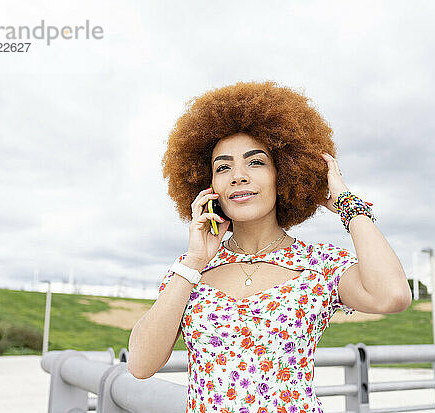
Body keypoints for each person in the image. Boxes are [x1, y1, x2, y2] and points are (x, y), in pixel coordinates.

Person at [128, 81, 412, 413]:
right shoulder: (189, 270)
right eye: (223, 167)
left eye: (256, 162)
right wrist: (194, 260)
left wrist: (346, 204)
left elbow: (392, 295)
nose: (238, 176)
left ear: (284, 173)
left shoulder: (320, 265)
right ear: (209, 186)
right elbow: (140, 364)